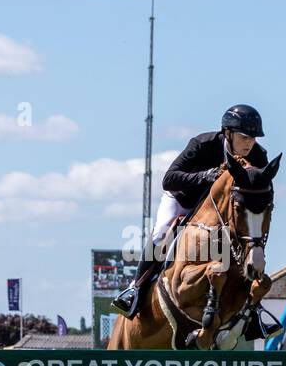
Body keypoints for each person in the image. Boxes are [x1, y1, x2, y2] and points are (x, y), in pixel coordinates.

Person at [112, 104, 270, 319]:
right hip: (183, 199)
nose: (250, 143)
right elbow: (169, 180)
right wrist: (205, 176)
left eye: (253, 138)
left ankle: (253, 309)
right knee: (161, 233)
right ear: (228, 133)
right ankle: (135, 289)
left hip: (222, 213)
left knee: (246, 242)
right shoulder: (202, 144)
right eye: (244, 137)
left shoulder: (259, 156)